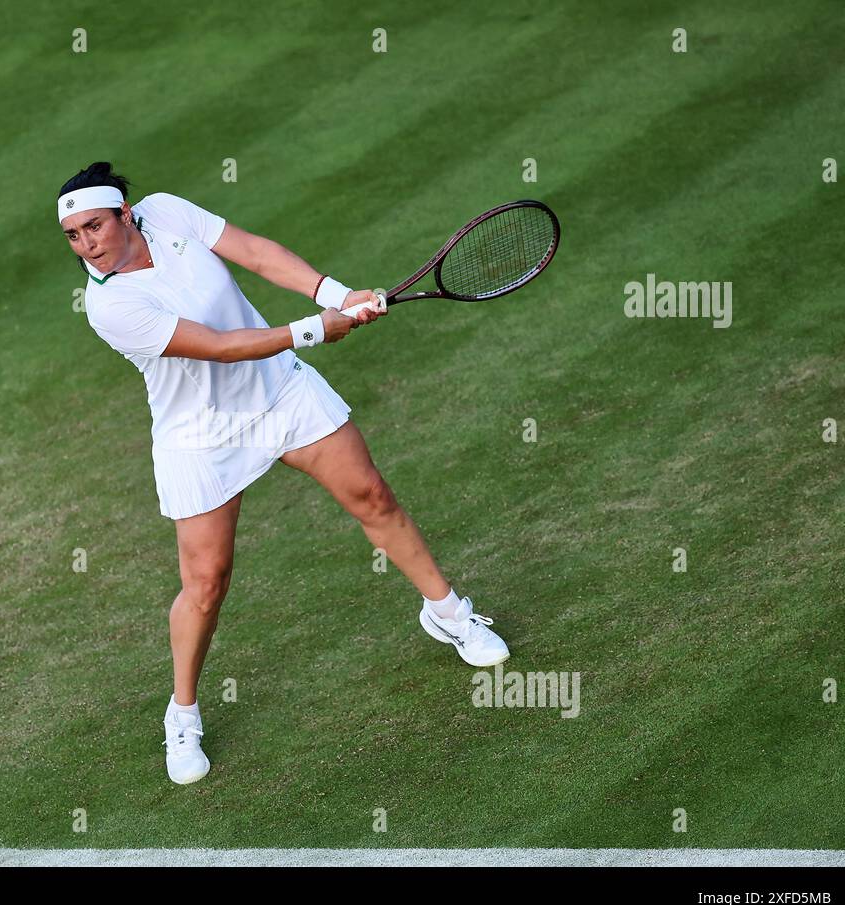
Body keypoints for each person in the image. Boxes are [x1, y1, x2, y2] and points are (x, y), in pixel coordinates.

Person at [58, 162, 509, 785]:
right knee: (206, 583)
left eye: (95, 226)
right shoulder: (109, 306)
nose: (88, 244)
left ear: (126, 214)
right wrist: (314, 331)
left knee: (371, 494)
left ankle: (449, 613)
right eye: (75, 236)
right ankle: (182, 713)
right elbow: (218, 347)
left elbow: (256, 253)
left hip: (278, 394)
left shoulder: (165, 211)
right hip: (200, 436)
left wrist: (333, 295)